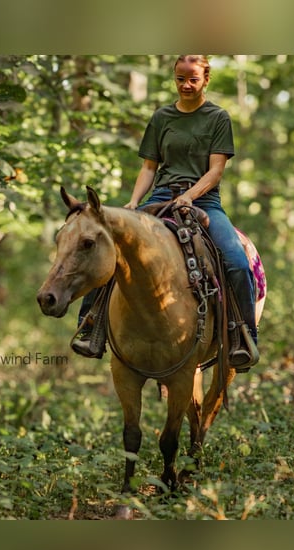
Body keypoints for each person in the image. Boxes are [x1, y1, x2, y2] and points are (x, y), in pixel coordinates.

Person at [72, 55, 259, 371]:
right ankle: (91, 327)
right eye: (180, 79)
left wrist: (189, 195)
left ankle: (242, 338)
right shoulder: (162, 117)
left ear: (206, 80)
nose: (186, 85)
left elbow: (215, 172)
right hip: (160, 197)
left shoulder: (218, 117)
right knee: (112, 249)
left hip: (205, 201)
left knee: (236, 260)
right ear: (174, 78)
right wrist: (133, 202)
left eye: (193, 79)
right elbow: (148, 167)